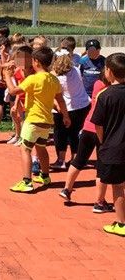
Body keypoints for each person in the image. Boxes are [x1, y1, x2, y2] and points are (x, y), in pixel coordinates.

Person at [3, 46, 70, 193]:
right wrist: (65, 115)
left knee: (25, 149)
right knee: (41, 148)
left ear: (36, 62)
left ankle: (27, 181)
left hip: (33, 120)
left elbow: (14, 91)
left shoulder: (33, 79)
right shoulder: (53, 79)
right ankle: (45, 176)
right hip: (46, 121)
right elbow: (60, 100)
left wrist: (7, 76)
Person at [59, 75, 114, 213]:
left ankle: (67, 189)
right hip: (102, 130)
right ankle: (99, 202)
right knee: (101, 166)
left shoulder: (97, 84)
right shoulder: (112, 92)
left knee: (79, 160)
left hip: (87, 127)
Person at [91, 53, 125, 237]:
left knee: (118, 186)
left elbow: (98, 124)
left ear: (109, 72)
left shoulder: (105, 95)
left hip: (114, 147)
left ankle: (121, 223)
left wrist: (104, 143)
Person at [50, 48, 91, 170]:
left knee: (60, 134)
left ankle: (61, 160)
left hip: (65, 108)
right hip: (82, 106)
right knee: (74, 133)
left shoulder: (54, 76)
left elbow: (55, 94)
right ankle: (76, 159)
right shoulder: (76, 70)